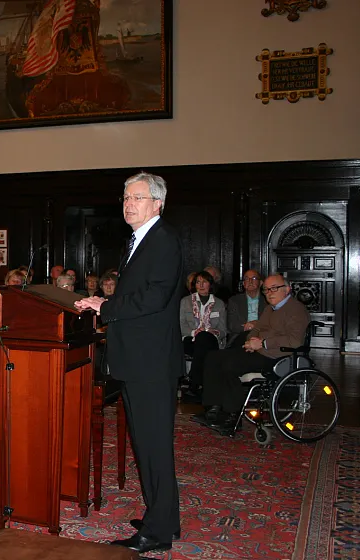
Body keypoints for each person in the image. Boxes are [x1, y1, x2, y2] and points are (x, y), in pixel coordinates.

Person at [75, 172, 183, 554]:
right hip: (138, 359)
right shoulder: (139, 240)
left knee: (153, 445)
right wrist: (102, 304)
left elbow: (154, 298)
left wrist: (106, 306)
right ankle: (165, 517)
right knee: (148, 444)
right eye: (125, 197)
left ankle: (156, 533)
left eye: (137, 197)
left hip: (151, 362)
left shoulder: (163, 240)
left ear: (157, 203)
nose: (128, 203)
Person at [196, 274, 310, 433]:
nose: (269, 293)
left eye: (274, 289)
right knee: (214, 357)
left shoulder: (296, 309)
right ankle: (213, 410)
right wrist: (250, 342)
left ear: (287, 289)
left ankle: (232, 415)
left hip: (278, 357)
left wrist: (262, 343)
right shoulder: (270, 309)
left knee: (230, 365)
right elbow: (256, 329)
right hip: (260, 351)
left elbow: (294, 340)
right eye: (266, 290)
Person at [179, 271, 227, 401]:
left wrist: (213, 332)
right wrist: (195, 332)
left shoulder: (219, 303)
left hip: (211, 340)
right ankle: (199, 384)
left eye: (204, 282)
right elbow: (181, 325)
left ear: (210, 284)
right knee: (201, 339)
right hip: (190, 339)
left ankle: (194, 381)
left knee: (204, 337)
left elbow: (223, 330)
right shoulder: (185, 302)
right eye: (198, 282)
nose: (201, 285)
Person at [226, 270, 267, 347]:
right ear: (244, 283)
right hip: (240, 335)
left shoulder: (267, 300)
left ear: (261, 283)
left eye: (254, 278)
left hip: (261, 335)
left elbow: (271, 323)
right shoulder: (234, 300)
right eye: (247, 279)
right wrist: (249, 326)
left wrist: (256, 324)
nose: (250, 281)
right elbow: (232, 325)